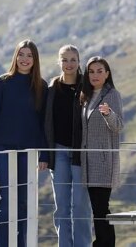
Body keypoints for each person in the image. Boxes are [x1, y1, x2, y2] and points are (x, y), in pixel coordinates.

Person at [0, 39, 49, 246]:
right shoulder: (2, 83)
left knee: (24, 201)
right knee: (7, 198)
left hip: (29, 150)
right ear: (15, 57)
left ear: (35, 60)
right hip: (2, 148)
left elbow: (43, 124)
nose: (25, 59)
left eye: (29, 55)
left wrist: (44, 154)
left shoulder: (41, 86)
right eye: (21, 54)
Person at [44, 45, 92, 247]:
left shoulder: (88, 87)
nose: (69, 64)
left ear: (79, 62)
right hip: (59, 151)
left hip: (81, 153)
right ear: (59, 62)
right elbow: (45, 121)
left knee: (81, 207)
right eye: (65, 59)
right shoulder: (52, 88)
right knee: (62, 207)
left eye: (73, 59)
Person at [80, 56, 123, 247]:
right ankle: (103, 243)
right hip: (88, 163)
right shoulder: (86, 96)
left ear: (107, 74)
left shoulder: (112, 95)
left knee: (101, 207)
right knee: (98, 208)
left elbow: (118, 126)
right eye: (91, 71)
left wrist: (108, 114)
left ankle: (104, 244)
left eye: (99, 71)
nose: (95, 75)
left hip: (104, 162)